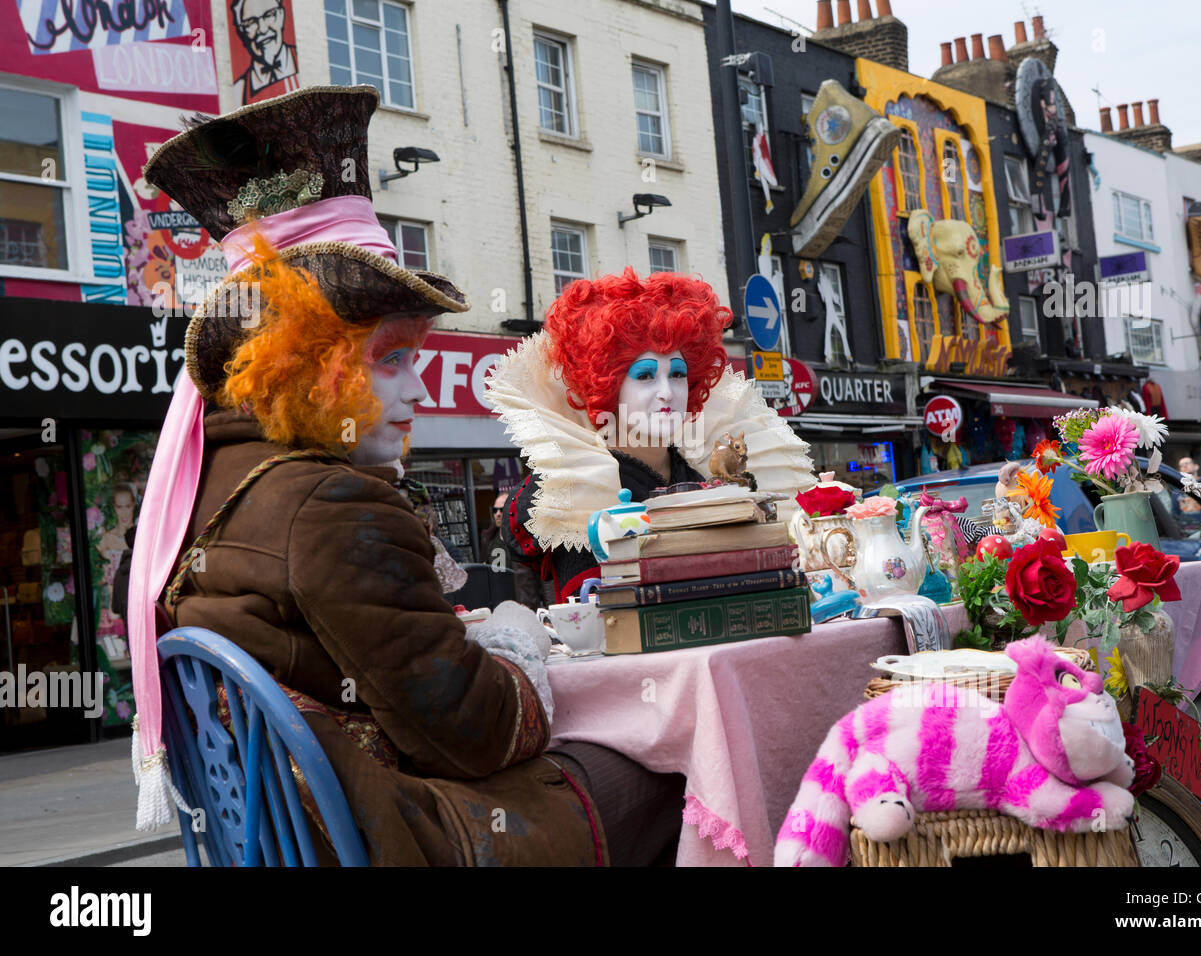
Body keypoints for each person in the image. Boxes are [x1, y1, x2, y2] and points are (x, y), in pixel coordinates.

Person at [128, 86, 615, 865]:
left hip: (306, 837)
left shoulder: (211, 482)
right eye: (391, 358)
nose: (418, 389)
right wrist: (523, 640)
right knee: (644, 773)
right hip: (404, 835)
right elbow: (479, 733)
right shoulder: (329, 501)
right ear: (304, 368)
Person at [486, 267, 814, 601]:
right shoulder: (579, 483)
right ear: (608, 386)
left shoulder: (704, 475)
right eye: (645, 376)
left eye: (677, 374)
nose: (667, 393)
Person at [230, 0, 298, 105]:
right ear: (241, 32)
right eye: (250, 23)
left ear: (281, 15)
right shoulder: (239, 91)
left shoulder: (302, 64)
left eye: (269, 15)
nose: (263, 29)